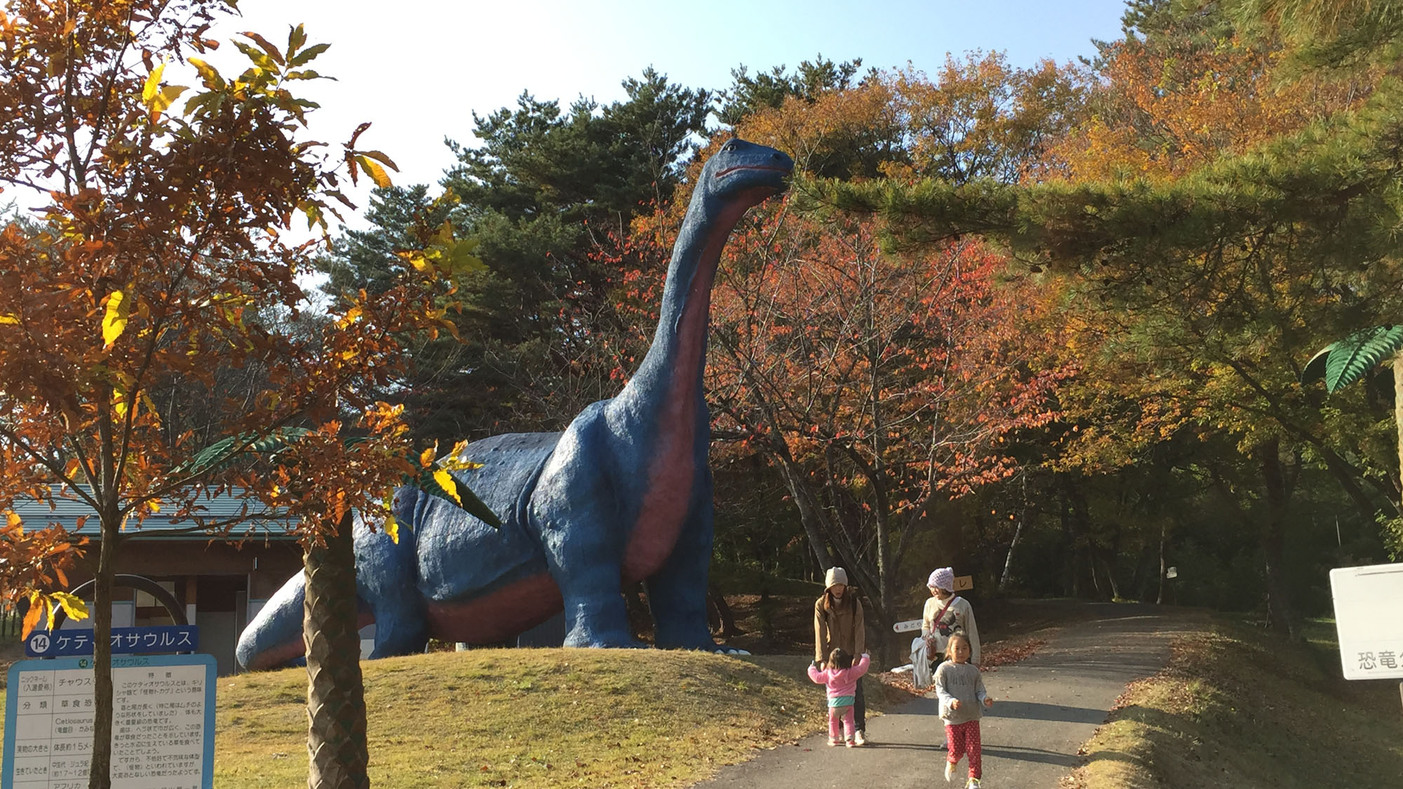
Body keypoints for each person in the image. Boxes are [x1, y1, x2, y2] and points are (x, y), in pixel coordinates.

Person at [813, 566, 868, 745]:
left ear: (846, 586)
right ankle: (837, 732)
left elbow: (860, 628)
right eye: (834, 585)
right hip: (832, 656)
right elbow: (819, 631)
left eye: (841, 585)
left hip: (851, 652)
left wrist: (859, 652)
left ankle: (859, 730)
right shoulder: (821, 604)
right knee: (834, 694)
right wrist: (821, 658)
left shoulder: (854, 602)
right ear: (828, 587)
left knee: (856, 692)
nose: (838, 589)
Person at [935, 632, 993, 788]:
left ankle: (974, 780)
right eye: (957, 648)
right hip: (952, 718)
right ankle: (952, 760)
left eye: (964, 648)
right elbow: (940, 690)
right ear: (949, 651)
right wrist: (951, 702)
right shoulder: (943, 669)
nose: (961, 652)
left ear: (969, 650)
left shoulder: (973, 671)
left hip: (972, 716)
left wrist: (984, 698)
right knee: (957, 749)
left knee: (974, 750)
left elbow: (979, 689)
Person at [807, 647, 871, 747]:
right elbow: (862, 668)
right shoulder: (851, 672)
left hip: (833, 704)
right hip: (848, 703)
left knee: (833, 722)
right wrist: (865, 657)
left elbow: (816, 677)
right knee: (848, 721)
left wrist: (812, 668)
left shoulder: (828, 673)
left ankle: (833, 739)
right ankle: (850, 739)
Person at [922, 566, 981, 668]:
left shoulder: (962, 604)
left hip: (958, 656)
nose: (933, 590)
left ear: (945, 587)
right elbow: (926, 625)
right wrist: (927, 638)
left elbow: (972, 632)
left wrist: (975, 659)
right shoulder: (929, 603)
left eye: (937, 587)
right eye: (931, 586)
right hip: (935, 656)